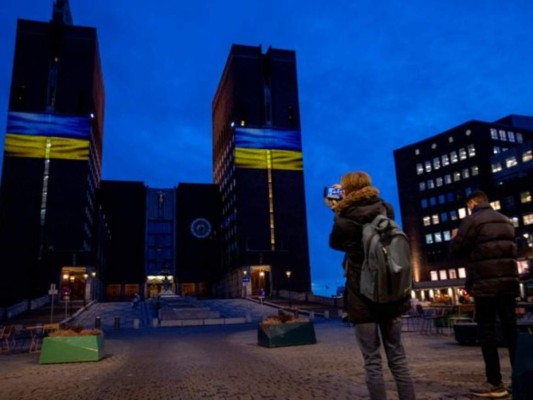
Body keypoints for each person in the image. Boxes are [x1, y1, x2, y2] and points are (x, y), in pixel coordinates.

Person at [328, 171, 415, 400]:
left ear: (347, 190)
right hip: (391, 290)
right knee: (398, 357)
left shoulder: (345, 217)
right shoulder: (385, 208)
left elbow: (335, 243)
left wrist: (336, 210)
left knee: (372, 361)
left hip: (362, 294)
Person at [450, 190, 519, 398]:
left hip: (485, 285)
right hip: (508, 284)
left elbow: (456, 249)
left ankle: (495, 382)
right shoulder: (505, 220)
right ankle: (520, 378)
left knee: (487, 332)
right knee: (511, 332)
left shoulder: (472, 221)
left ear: (472, 203)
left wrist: (455, 237)